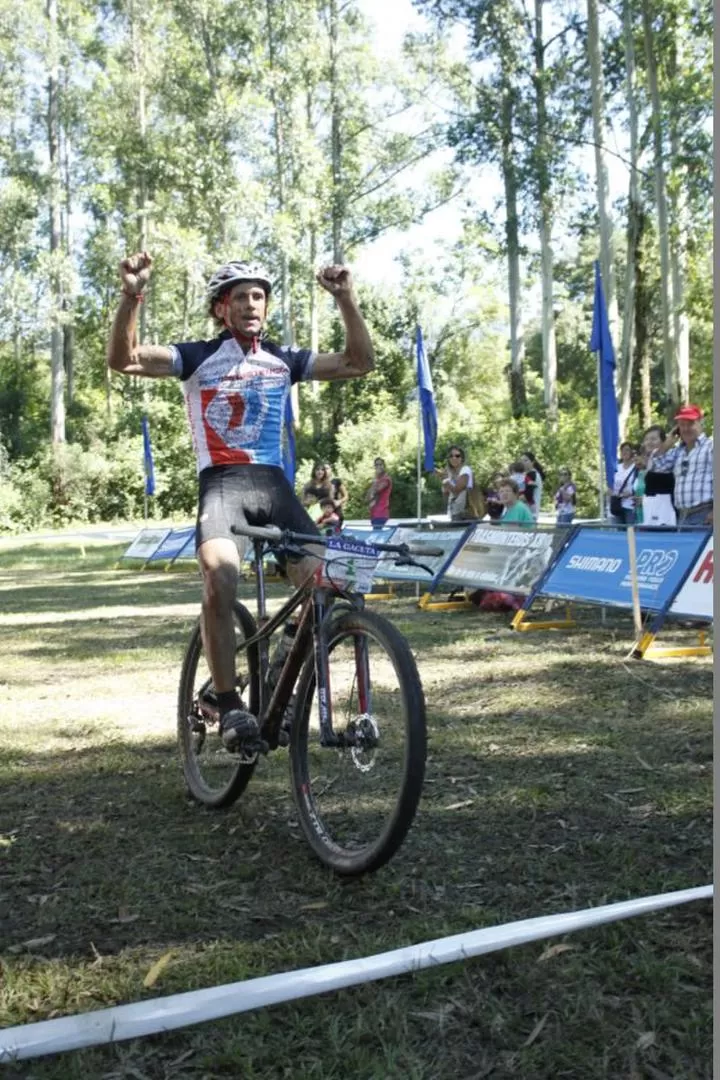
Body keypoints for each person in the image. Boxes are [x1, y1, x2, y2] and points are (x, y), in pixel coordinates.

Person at [107, 251, 374, 751]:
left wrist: (345, 298)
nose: (252, 305)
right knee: (221, 573)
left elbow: (359, 363)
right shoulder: (198, 356)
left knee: (329, 581)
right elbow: (125, 359)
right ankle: (228, 704)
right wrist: (131, 295)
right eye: (241, 297)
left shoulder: (283, 360)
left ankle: (283, 665)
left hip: (274, 486)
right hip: (223, 485)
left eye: (259, 296)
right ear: (221, 309)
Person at [647, 404, 713, 526]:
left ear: (700, 423)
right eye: (682, 425)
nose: (686, 428)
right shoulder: (677, 452)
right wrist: (667, 443)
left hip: (705, 515)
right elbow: (656, 467)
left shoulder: (711, 447)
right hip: (682, 517)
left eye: (690, 423)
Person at [642, 424, 677, 527]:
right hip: (651, 512)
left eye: (653, 439)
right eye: (646, 439)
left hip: (665, 515)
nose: (649, 442)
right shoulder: (650, 460)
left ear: (663, 441)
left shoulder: (668, 457)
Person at [435, 445, 476, 521]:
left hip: (466, 514)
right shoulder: (450, 473)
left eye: (457, 456)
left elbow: (457, 490)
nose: (454, 458)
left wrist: (444, 479)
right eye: (451, 456)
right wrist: (443, 480)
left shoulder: (465, 470)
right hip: (454, 512)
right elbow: (446, 494)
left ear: (462, 458)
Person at [608, 442, 637, 525]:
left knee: (630, 530)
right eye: (622, 450)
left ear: (632, 452)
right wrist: (610, 490)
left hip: (630, 504)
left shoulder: (635, 467)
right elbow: (611, 482)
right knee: (619, 531)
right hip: (617, 504)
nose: (625, 452)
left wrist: (630, 492)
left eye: (627, 450)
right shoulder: (616, 467)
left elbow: (639, 482)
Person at [520, 451, 545, 519]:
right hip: (528, 513)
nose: (523, 463)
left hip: (528, 514)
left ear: (532, 462)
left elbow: (526, 496)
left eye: (525, 460)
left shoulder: (532, 475)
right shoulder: (526, 475)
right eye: (521, 461)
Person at [368, 457, 392, 526]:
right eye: (376, 465)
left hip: (381, 514)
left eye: (380, 464)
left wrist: (375, 480)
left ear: (384, 466)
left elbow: (376, 490)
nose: (378, 467)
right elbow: (367, 497)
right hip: (374, 514)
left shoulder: (386, 479)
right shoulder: (376, 480)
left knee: (379, 535)